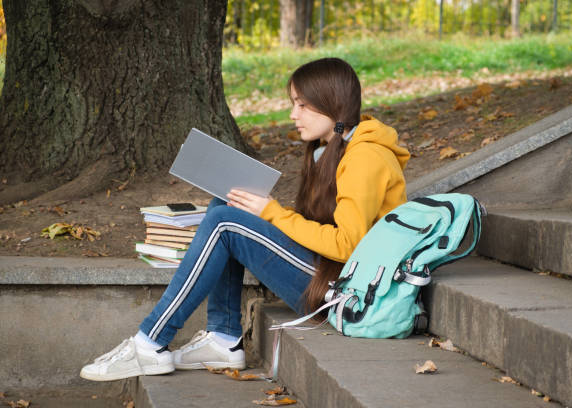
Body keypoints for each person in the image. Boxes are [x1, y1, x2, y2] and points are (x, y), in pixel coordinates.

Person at [80, 57, 410, 381]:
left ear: (331, 103)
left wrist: (274, 214)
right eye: (293, 104)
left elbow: (348, 244)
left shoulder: (365, 156)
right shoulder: (334, 147)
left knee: (225, 222)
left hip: (348, 292)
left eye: (302, 105)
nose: (293, 115)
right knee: (226, 201)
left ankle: (149, 342)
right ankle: (224, 338)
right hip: (330, 273)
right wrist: (270, 214)